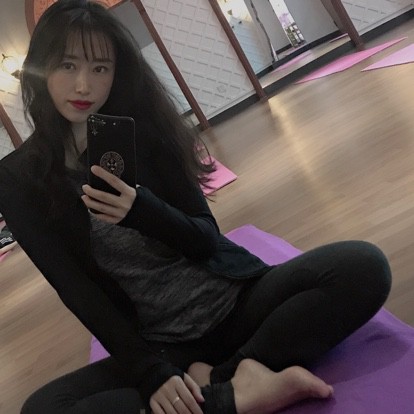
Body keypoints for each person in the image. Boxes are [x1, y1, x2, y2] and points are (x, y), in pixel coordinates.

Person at [0, 1, 392, 413]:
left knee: (362, 266)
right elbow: (78, 291)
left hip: (237, 303)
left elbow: (206, 239)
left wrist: (140, 210)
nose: (84, 85)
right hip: (164, 344)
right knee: (44, 408)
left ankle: (228, 378)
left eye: (100, 68)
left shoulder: (143, 129)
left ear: (117, 73)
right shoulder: (18, 180)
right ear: (40, 69)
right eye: (67, 65)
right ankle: (235, 394)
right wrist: (151, 372)